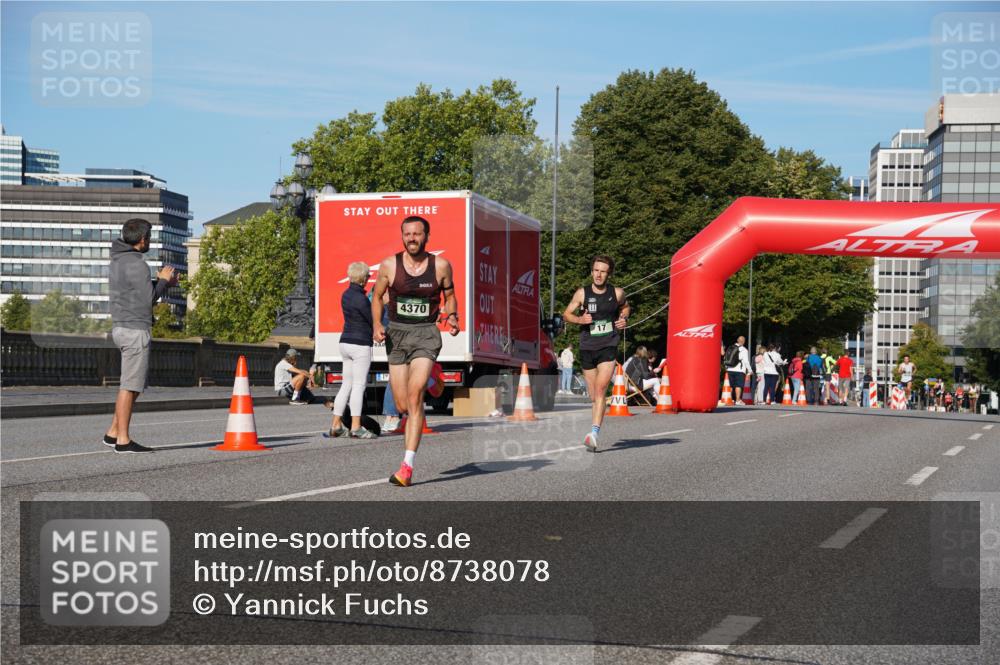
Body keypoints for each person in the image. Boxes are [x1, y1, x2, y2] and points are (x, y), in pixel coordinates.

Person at [372, 216, 459, 487]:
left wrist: (453, 315)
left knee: (414, 394)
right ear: (402, 236)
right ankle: (435, 382)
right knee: (401, 405)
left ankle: (406, 466)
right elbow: (376, 296)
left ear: (426, 236)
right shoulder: (389, 265)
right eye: (407, 234)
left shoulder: (441, 266)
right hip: (396, 335)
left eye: (417, 234)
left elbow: (450, 294)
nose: (412, 238)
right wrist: (377, 324)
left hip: (426, 334)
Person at [102, 218, 176, 453]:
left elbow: (136, 292)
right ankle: (123, 440)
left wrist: (160, 283)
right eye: (149, 238)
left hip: (121, 326)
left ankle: (113, 432)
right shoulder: (136, 263)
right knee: (130, 386)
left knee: (132, 385)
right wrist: (164, 280)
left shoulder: (118, 260)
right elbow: (148, 299)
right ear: (142, 239)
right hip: (135, 329)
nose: (150, 242)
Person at [563, 254, 629, 451]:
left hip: (608, 344)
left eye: (603, 271)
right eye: (596, 270)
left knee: (601, 390)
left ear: (609, 274)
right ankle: (594, 428)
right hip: (587, 347)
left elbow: (625, 307)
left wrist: (624, 318)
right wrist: (579, 320)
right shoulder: (582, 294)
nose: (599, 275)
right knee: (593, 395)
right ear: (591, 271)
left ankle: (594, 433)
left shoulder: (616, 293)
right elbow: (566, 314)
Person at [328, 262, 377, 438]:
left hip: (345, 342)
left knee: (346, 385)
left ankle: (336, 425)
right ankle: (356, 427)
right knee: (358, 386)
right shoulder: (361, 299)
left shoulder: (346, 295)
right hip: (360, 343)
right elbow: (372, 319)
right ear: (364, 278)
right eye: (368, 276)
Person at [724, 336, 752, 405]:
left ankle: (729, 399)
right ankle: (738, 400)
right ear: (744, 341)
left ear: (737, 340)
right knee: (738, 385)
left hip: (730, 369)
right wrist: (750, 370)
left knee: (730, 385)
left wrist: (726, 367)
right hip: (739, 370)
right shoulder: (744, 350)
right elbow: (746, 361)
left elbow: (725, 357)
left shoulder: (730, 348)